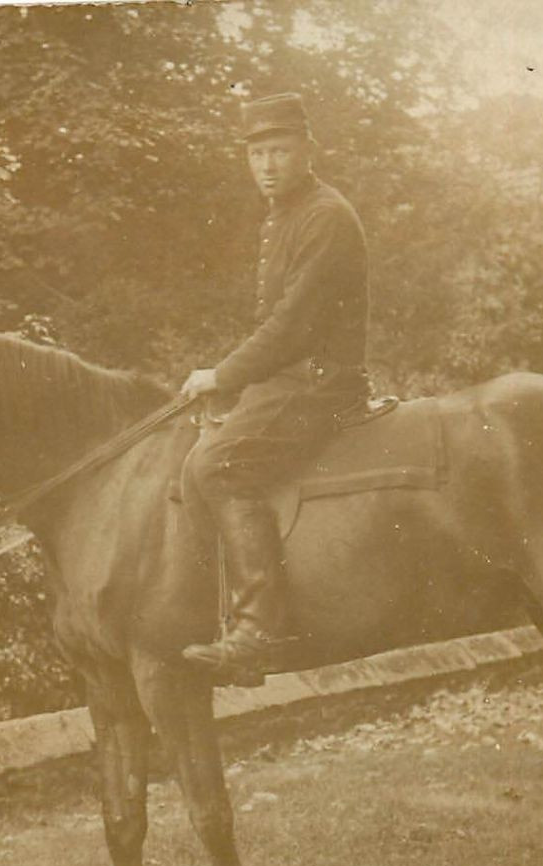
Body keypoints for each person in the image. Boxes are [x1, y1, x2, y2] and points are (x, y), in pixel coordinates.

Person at [180, 92, 371, 681]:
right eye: (257, 153)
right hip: (289, 380)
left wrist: (222, 375)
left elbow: (291, 326)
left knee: (218, 466)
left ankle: (259, 632)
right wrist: (232, 385)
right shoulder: (283, 216)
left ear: (307, 151)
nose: (267, 165)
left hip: (319, 383)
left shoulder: (326, 216)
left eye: (280, 151)